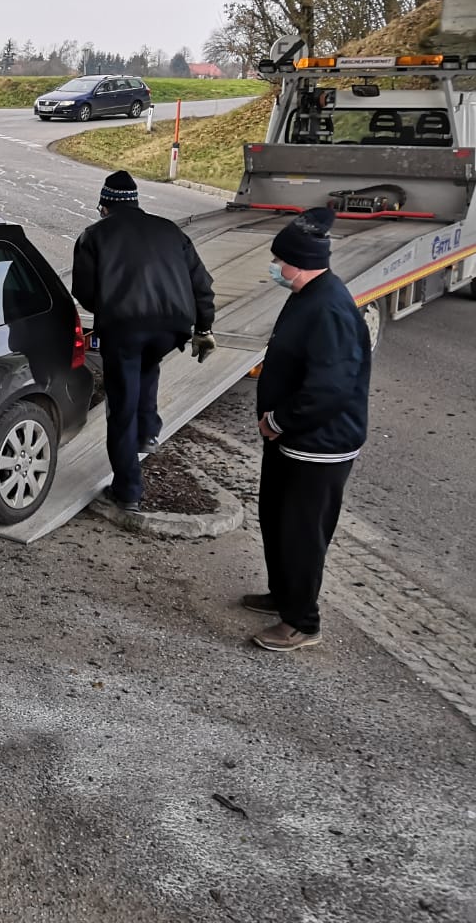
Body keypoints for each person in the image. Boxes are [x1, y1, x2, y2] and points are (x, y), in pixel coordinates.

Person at [244, 207, 371, 652]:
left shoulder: (329, 307)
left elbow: (330, 388)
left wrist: (279, 421)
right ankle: (284, 595)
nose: (275, 267)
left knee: (301, 533)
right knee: (277, 522)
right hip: (292, 443)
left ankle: (301, 622)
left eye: (279, 260)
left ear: (298, 262)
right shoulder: (309, 293)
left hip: (317, 446)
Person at [71, 170, 216, 512]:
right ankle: (149, 429)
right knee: (148, 364)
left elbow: (84, 292)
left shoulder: (94, 236)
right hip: (171, 328)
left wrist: (108, 307)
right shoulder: (170, 229)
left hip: (125, 328)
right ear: (136, 202)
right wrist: (204, 328)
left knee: (121, 407)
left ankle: (128, 490)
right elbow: (202, 284)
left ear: (104, 205)